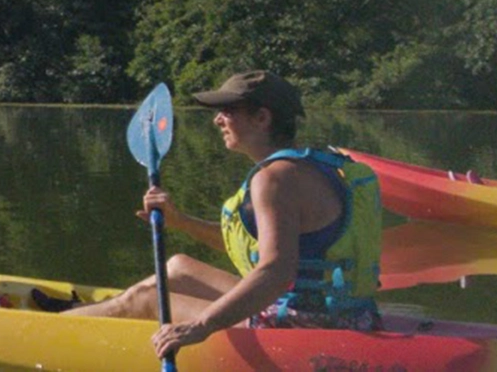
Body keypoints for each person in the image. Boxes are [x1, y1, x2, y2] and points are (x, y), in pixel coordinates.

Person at [65, 70, 382, 362]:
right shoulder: (314, 166)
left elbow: (276, 269)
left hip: (301, 327)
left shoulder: (273, 179)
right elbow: (271, 246)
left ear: (261, 118)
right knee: (178, 267)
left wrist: (201, 325)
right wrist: (182, 221)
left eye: (228, 111)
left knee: (147, 299)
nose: (217, 120)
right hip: (349, 313)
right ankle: (80, 311)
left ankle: (45, 326)